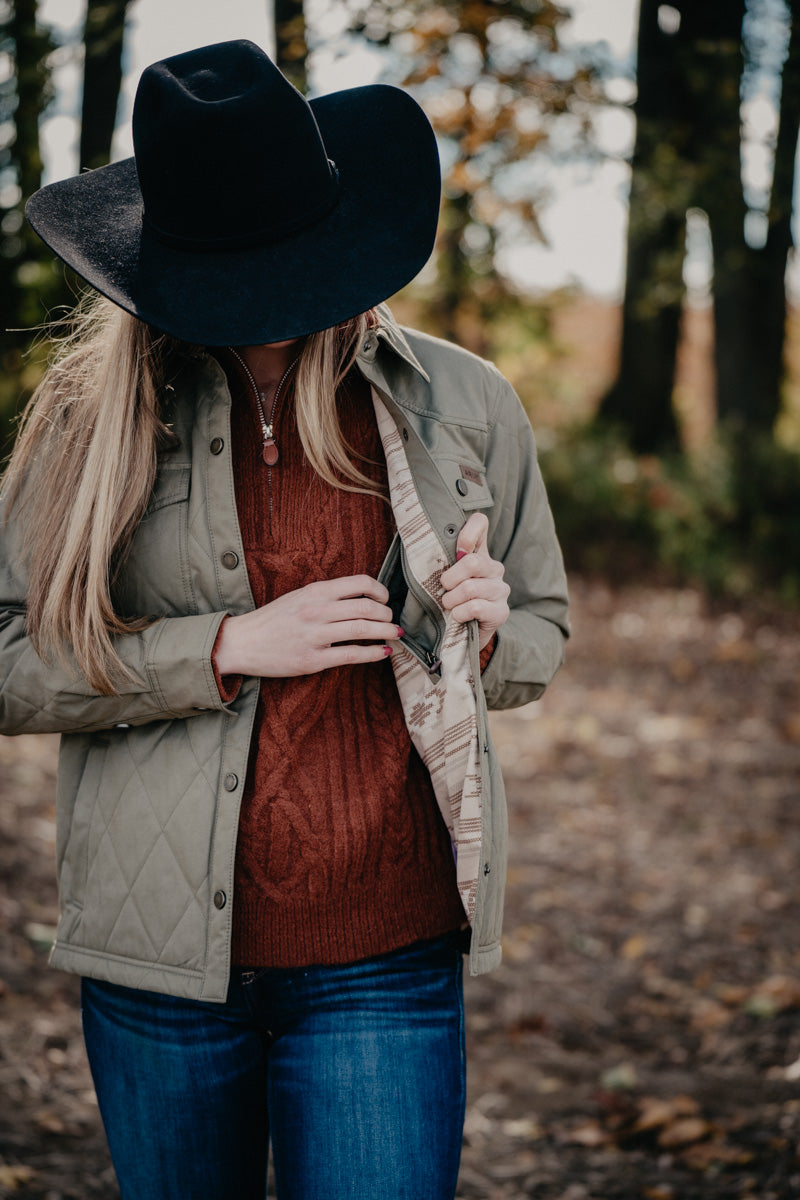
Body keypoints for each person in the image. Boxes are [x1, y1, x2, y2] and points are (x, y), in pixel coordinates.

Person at [2, 39, 569, 1200]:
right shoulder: (85, 419)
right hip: (157, 972)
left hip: (386, 962)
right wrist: (218, 648)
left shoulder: (464, 402)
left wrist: (488, 629)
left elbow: (540, 635)